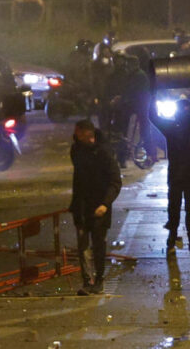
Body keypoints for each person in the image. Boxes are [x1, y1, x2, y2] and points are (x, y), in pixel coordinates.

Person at [149, 86, 190, 252]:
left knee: (175, 204)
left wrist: (152, 95)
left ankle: (172, 236)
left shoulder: (171, 127)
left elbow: (153, 116)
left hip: (175, 172)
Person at [70, 120, 122, 295]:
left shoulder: (104, 152)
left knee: (98, 245)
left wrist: (105, 204)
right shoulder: (76, 149)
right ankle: (87, 280)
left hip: (99, 206)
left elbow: (115, 181)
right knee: (83, 246)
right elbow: (78, 180)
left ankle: (98, 279)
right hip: (82, 206)